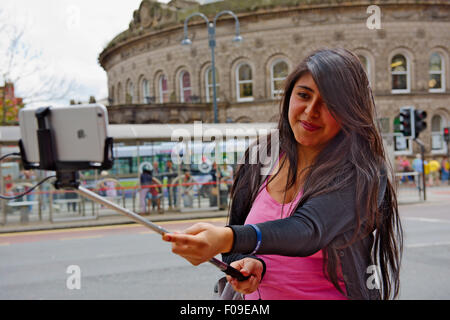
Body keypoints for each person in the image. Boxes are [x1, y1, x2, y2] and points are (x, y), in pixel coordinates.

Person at [162, 48, 403, 300]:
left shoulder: (361, 170)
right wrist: (248, 263)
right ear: (289, 95)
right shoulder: (261, 155)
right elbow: (238, 235)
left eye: (329, 103)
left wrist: (227, 238)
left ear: (349, 112)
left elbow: (307, 230)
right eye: (304, 95)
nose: (311, 110)